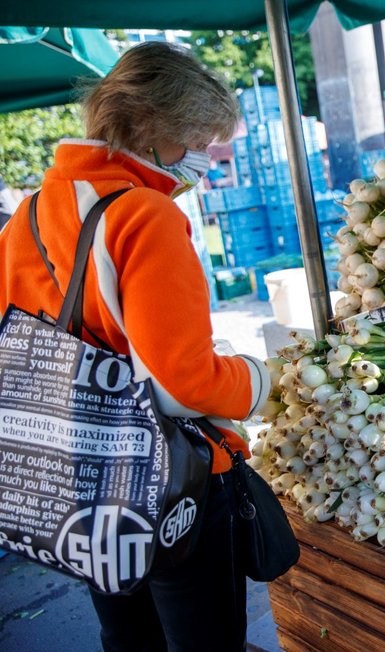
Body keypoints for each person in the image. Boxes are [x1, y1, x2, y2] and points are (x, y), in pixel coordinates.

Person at [0, 41, 271, 651]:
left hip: (84, 484)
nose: (202, 159)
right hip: (170, 483)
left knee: (126, 635)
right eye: (197, 141)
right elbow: (182, 385)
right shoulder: (142, 215)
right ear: (150, 128)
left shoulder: (27, 216)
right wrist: (260, 378)